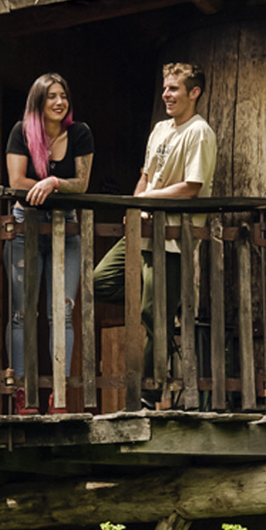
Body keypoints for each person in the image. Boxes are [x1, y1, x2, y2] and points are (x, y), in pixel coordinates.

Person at [94, 62, 217, 407]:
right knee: (98, 282)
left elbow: (192, 187)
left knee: (155, 318)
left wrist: (148, 200)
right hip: (144, 230)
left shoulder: (199, 132)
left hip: (172, 239)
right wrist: (137, 205)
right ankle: (157, 302)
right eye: (164, 88)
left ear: (194, 92)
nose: (166, 94)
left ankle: (147, 395)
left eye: (174, 88)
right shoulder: (160, 129)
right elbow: (146, 176)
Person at [5, 73, 93, 414]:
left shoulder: (80, 133)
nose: (59, 102)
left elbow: (81, 184)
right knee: (22, 314)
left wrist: (53, 182)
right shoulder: (21, 132)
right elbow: (17, 181)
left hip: (65, 225)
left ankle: (60, 393)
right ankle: (23, 392)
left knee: (63, 312)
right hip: (25, 224)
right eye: (51, 96)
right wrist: (45, 185)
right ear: (38, 102)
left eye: (63, 96)